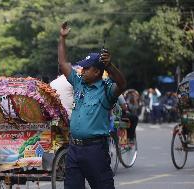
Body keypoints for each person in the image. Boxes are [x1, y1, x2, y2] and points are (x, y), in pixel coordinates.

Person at [58, 22, 126, 189]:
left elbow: (122, 84)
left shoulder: (106, 89)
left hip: (95, 150)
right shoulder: (79, 83)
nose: (82, 70)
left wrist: (109, 65)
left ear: (97, 72)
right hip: (74, 148)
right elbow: (63, 64)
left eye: (86, 68)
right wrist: (62, 38)